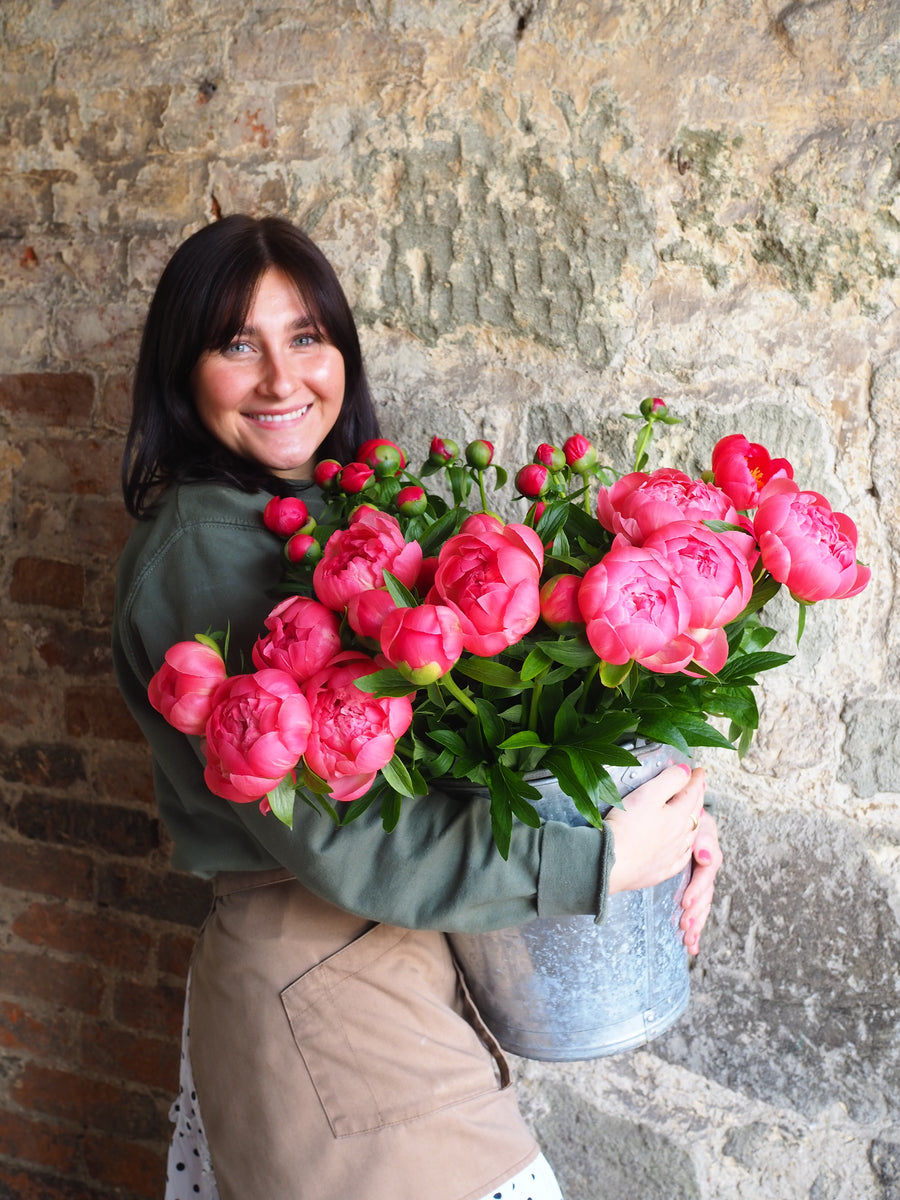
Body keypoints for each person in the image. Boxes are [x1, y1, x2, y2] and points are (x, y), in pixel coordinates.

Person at [112, 214, 722, 1200]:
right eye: (237, 344)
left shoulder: (331, 521)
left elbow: (462, 761)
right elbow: (341, 835)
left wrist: (660, 817)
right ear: (182, 371)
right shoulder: (203, 549)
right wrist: (598, 862)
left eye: (305, 336)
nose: (280, 378)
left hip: (376, 971)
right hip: (322, 978)